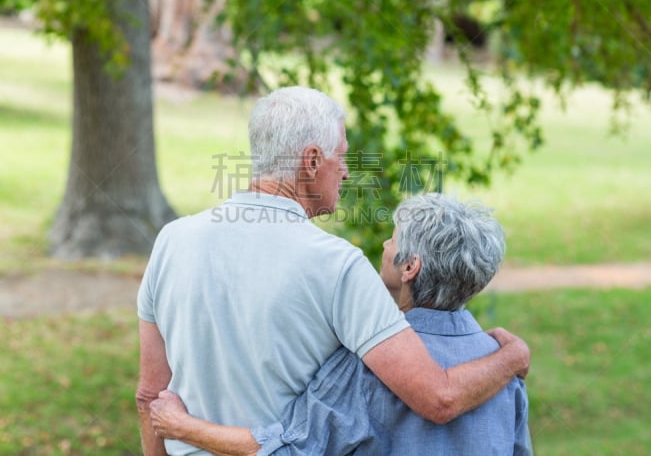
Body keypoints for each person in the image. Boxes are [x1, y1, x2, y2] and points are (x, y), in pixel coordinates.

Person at [136, 86, 530, 456]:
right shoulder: (338, 265)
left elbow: (150, 395)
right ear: (311, 161)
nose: (345, 171)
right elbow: (438, 398)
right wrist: (512, 357)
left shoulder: (172, 240)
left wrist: (183, 430)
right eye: (340, 157)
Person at [149, 193, 532, 455]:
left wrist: (181, 426)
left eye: (394, 239)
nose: (384, 245)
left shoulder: (367, 364)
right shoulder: (501, 366)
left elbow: (287, 447)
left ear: (410, 267)